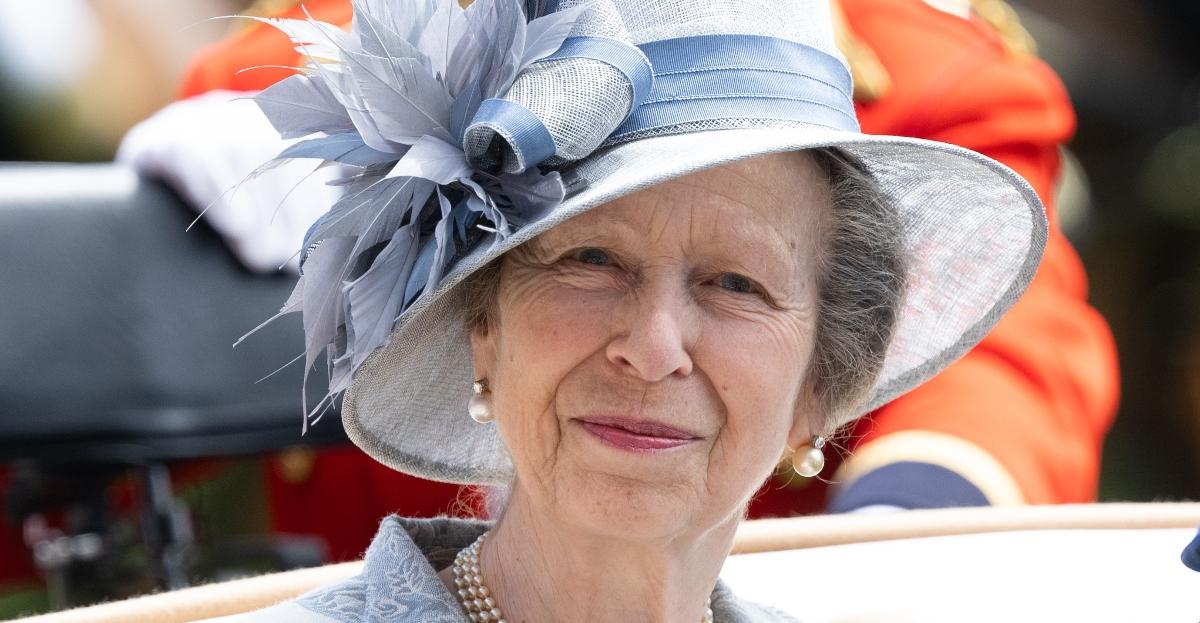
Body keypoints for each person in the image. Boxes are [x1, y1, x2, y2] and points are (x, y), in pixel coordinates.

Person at [195, 0, 1050, 619]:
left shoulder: (932, 66)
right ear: (478, 327)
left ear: (828, 385)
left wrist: (898, 544)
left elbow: (1013, 369)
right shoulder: (332, 31)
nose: (652, 347)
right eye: (589, 259)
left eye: (737, 284)